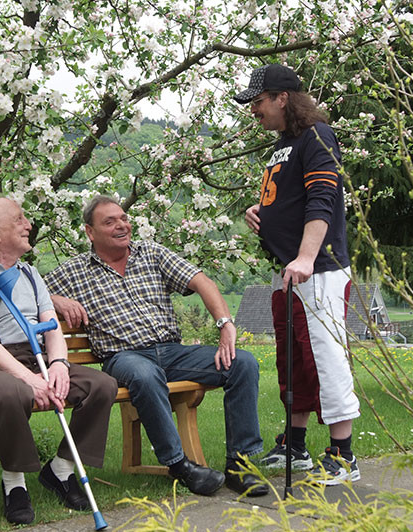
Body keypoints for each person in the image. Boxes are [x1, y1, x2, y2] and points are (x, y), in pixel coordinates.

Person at [45, 195, 268, 498]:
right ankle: (179, 465)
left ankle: (240, 465)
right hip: (123, 356)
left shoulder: (151, 253)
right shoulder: (74, 271)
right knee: (145, 375)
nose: (121, 225)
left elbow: (202, 282)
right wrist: (54, 299)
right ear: (89, 232)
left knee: (242, 363)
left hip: (172, 352)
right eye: (109, 222)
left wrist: (225, 324)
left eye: (123, 218)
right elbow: (28, 291)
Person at [0, 197, 118, 524]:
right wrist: (30, 379)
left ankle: (62, 470)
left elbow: (50, 325)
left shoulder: (29, 273)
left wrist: (58, 365)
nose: (28, 225)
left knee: (102, 385)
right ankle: (14, 484)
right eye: (20, 219)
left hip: (34, 358)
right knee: (11, 392)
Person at [234, 63, 361, 485]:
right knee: (294, 362)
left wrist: (307, 257)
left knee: (325, 358)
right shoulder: (281, 146)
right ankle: (296, 444)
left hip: (317, 270)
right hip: (289, 272)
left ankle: (344, 456)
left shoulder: (317, 136)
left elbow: (323, 199)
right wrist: (262, 213)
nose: (254, 111)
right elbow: (289, 198)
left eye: (258, 102)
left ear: (282, 98)